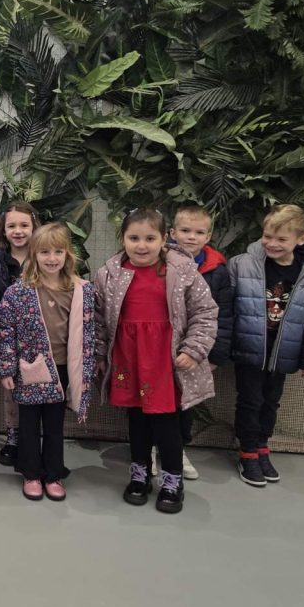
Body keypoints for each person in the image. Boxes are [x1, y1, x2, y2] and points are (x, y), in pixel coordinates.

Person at [94, 208, 218, 514]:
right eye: (134, 238)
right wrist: (99, 354)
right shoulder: (109, 273)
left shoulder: (182, 271)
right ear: (123, 239)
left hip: (165, 361)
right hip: (128, 360)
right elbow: (96, 318)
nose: (141, 245)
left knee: (166, 424)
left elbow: (205, 312)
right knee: (137, 420)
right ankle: (139, 473)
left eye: (150, 238)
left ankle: (172, 480)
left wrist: (193, 349)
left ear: (164, 239)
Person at [229, 204, 304, 487]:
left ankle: (262, 446)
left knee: (271, 401)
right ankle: (248, 452)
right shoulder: (242, 264)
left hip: (284, 350)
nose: (272, 243)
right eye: (267, 236)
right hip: (250, 347)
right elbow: (227, 307)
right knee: (250, 401)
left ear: (301, 239)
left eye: (281, 239)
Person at [0, 224, 95, 501]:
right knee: (28, 423)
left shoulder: (81, 290)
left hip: (64, 368)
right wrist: (6, 368)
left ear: (68, 254)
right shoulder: (18, 292)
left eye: (58, 252)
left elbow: (89, 330)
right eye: (44, 252)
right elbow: (6, 332)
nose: (52, 258)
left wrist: (90, 366)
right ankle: (31, 473)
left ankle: (53, 473)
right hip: (31, 368)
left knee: (54, 424)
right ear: (34, 255)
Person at [153, 205, 234, 479]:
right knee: (148, 401)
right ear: (172, 233)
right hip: (157, 349)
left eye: (199, 232)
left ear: (208, 236)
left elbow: (221, 314)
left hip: (192, 353)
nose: (191, 237)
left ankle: (177, 450)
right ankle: (148, 448)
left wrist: (210, 354)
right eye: (185, 230)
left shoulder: (216, 271)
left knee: (184, 404)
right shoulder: (158, 262)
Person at [0, 201, 41, 467]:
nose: (18, 231)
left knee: (37, 386)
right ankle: (13, 436)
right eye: (12, 226)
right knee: (10, 388)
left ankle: (34, 436)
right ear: (3, 229)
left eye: (24, 225)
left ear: (34, 227)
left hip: (39, 336)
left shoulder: (43, 255)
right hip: (7, 335)